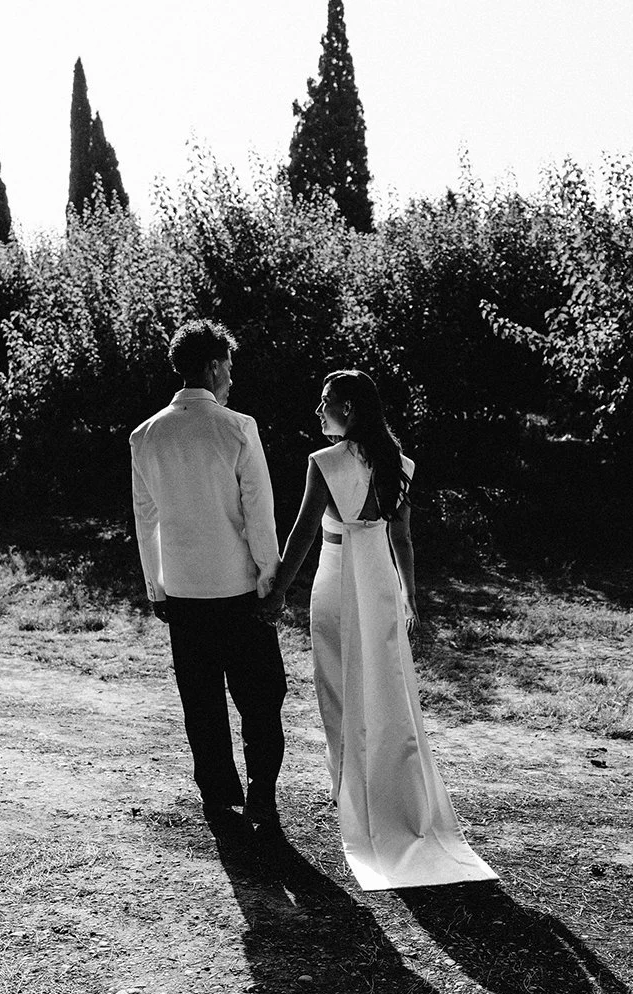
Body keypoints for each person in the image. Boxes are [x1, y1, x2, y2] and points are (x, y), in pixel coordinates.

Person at [263, 370, 498, 890]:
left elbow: (302, 533)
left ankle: (350, 792)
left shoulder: (324, 463)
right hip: (382, 583)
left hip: (336, 579)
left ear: (347, 407)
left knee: (337, 689)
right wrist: (410, 595)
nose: (318, 411)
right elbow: (403, 539)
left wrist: (277, 591)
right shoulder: (399, 463)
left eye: (324, 402)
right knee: (388, 690)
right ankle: (392, 794)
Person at [130, 319, 286, 845]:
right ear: (215, 366)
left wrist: (155, 587)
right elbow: (258, 512)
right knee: (261, 697)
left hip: (183, 592)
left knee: (201, 701)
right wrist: (270, 578)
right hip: (238, 590)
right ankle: (262, 794)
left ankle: (218, 796)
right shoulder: (238, 427)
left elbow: (146, 518)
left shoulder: (145, 435)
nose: (232, 378)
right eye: (230, 367)